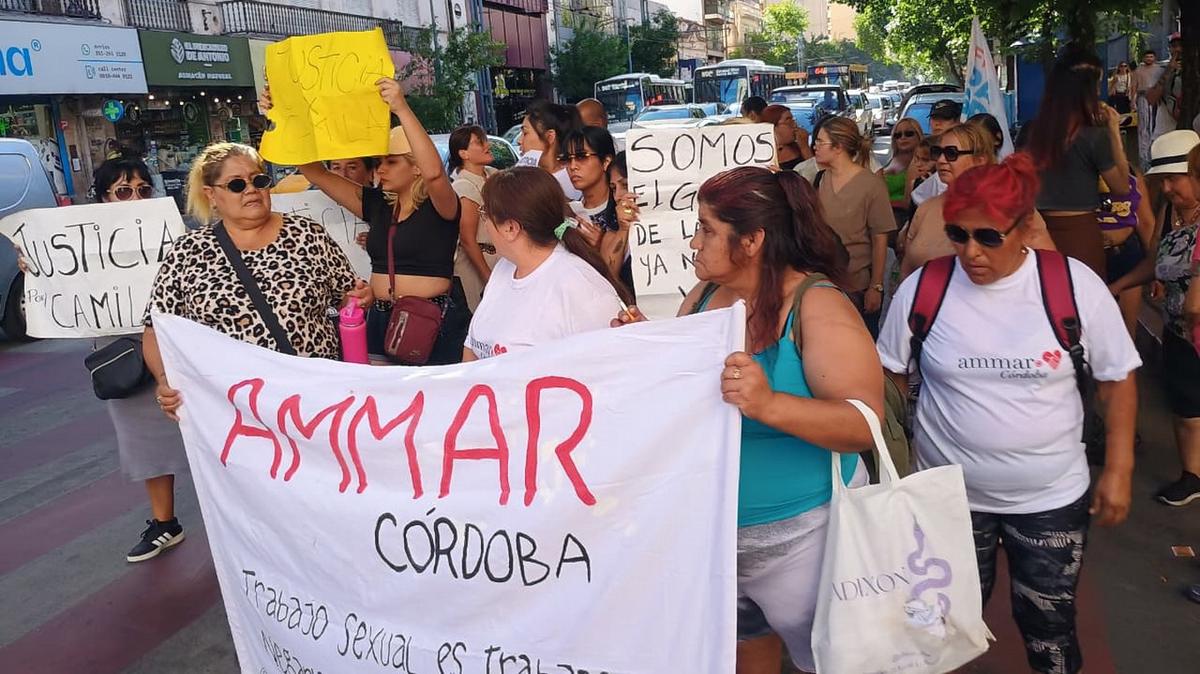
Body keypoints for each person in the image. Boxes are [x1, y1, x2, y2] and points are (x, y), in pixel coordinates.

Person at [878, 152, 1140, 674]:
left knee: (1049, 629)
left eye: (988, 237)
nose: (971, 252)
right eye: (957, 235)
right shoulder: (925, 288)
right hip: (947, 500)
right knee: (939, 628)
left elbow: (1117, 379)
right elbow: (889, 377)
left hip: (1050, 500)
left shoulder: (1073, 287)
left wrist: (1119, 468)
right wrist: (891, 464)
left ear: (1024, 228)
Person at [616, 166, 881, 672]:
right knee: (741, 654)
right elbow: (692, 387)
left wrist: (769, 403)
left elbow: (863, 424)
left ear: (753, 240)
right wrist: (644, 344)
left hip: (809, 541)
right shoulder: (705, 296)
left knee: (840, 662)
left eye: (706, 229)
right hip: (716, 535)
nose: (694, 242)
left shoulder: (817, 305)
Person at [16, 157, 191, 563]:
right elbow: (60, 284)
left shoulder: (174, 233)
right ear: (103, 198)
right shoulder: (81, 242)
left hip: (178, 345)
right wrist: (37, 268)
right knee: (143, 439)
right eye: (124, 191)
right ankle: (164, 522)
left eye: (143, 190)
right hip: (123, 354)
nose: (136, 198)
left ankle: (233, 515)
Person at [143, 141, 371, 410]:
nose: (251, 190)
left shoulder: (307, 234)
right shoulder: (188, 251)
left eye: (259, 181)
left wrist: (360, 297)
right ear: (211, 194)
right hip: (231, 408)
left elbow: (347, 298)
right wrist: (164, 380)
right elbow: (156, 328)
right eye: (236, 184)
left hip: (314, 401)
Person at [263, 77, 470, 365]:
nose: (380, 169)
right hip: (380, 319)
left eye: (391, 161)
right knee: (381, 393)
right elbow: (316, 173)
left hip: (430, 321)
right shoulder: (378, 204)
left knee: (433, 393)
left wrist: (401, 108)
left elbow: (434, 174)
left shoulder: (441, 206)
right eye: (378, 162)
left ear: (416, 168)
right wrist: (283, 117)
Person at [1110, 130, 1200, 507]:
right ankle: (1192, 476)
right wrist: (1116, 287)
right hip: (1179, 329)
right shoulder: (1169, 214)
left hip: (1195, 325)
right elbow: (1153, 262)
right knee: (1186, 405)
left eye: (1174, 179)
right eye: (1162, 180)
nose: (1166, 188)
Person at [464, 167, 631, 361]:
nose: (484, 225)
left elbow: (610, 366)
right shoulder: (504, 268)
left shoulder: (579, 285)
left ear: (510, 228)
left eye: (485, 214)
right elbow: (472, 347)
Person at [1025, 45, 1130, 279]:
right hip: (1081, 234)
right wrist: (1114, 130)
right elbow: (1122, 186)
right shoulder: (1094, 136)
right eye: (1097, 84)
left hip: (1036, 231)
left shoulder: (1032, 132)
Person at [811, 116, 895, 335]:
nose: (815, 146)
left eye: (820, 142)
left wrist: (876, 286)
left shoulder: (871, 185)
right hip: (823, 283)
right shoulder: (820, 180)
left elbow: (880, 238)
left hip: (857, 284)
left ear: (838, 147)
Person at [1097, 172, 1156, 337]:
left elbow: (1146, 223)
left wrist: (1155, 267)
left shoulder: (1133, 175)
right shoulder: (1080, 170)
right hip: (1091, 255)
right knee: (1095, 322)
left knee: (1127, 326)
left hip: (1126, 252)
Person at [447, 125, 498, 312]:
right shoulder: (464, 186)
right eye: (479, 142)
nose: (487, 145)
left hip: (501, 260)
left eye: (485, 140)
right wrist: (488, 278)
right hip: (478, 266)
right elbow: (468, 240)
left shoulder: (493, 175)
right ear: (464, 154)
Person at [562, 126, 617, 244]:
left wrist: (602, 246)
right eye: (567, 159)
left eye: (582, 157)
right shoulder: (569, 214)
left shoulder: (622, 210)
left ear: (606, 162)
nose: (572, 166)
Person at [520, 100, 583, 200]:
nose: (519, 141)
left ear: (550, 137)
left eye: (525, 133)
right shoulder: (527, 177)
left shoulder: (574, 176)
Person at [909, 99, 964, 206]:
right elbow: (910, 200)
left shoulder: (965, 151)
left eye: (945, 118)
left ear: (958, 121)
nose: (938, 123)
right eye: (934, 118)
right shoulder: (921, 150)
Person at [881, 118, 923, 215]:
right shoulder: (891, 159)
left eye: (908, 133)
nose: (903, 138)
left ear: (918, 135)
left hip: (902, 215)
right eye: (898, 135)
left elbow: (910, 202)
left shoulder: (920, 162)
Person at [1134, 49, 1167, 168]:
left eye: (1151, 56)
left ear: (1155, 58)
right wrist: (1132, 101)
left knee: (1156, 125)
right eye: (1147, 57)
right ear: (1143, 58)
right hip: (1143, 98)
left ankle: (1156, 154)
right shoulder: (1138, 71)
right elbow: (1134, 86)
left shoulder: (1160, 70)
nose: (1149, 59)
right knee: (1144, 128)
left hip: (1158, 99)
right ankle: (1144, 158)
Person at [759, 104, 811, 171]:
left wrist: (805, 147)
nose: (795, 125)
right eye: (789, 121)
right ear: (772, 126)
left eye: (793, 120)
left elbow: (814, 172)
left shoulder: (798, 147)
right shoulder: (762, 153)